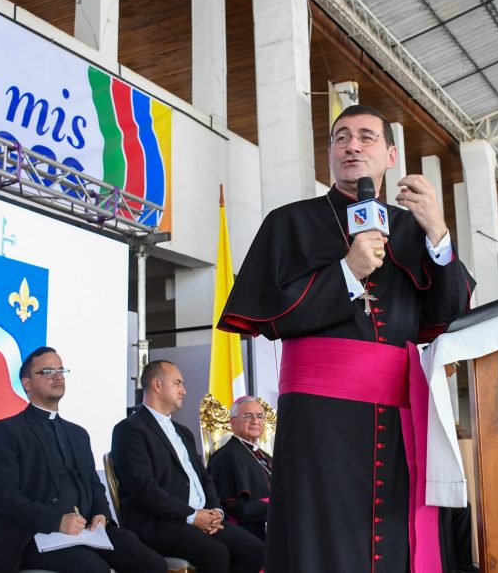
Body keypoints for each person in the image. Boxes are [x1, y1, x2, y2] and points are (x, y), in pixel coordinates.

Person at [217, 104, 474, 573]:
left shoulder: (413, 229)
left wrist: (438, 232)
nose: (352, 146)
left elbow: (448, 315)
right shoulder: (290, 222)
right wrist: (346, 271)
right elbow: (271, 317)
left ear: (391, 155)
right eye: (341, 137)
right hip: (319, 420)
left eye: (366, 137)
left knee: (395, 534)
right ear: (330, 153)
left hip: (399, 416)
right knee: (323, 534)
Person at [0, 347, 166, 573]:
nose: (58, 376)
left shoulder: (78, 433)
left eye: (61, 370)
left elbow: (94, 485)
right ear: (27, 383)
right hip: (34, 534)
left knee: (152, 564)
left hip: (87, 530)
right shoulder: (7, 430)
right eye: (48, 371)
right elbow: (3, 496)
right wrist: (56, 521)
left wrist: (101, 514)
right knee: (94, 569)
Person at [110, 360, 264, 573]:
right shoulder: (129, 429)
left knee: (256, 550)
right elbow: (143, 488)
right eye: (178, 383)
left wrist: (216, 511)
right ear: (157, 385)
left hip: (200, 516)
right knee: (216, 553)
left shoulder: (183, 431)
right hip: (158, 522)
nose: (184, 390)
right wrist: (192, 516)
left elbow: (205, 478)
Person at [207, 396, 273, 541]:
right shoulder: (226, 456)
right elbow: (232, 506)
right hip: (249, 532)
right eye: (248, 416)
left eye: (259, 416)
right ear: (233, 422)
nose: (255, 421)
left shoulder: (264, 456)